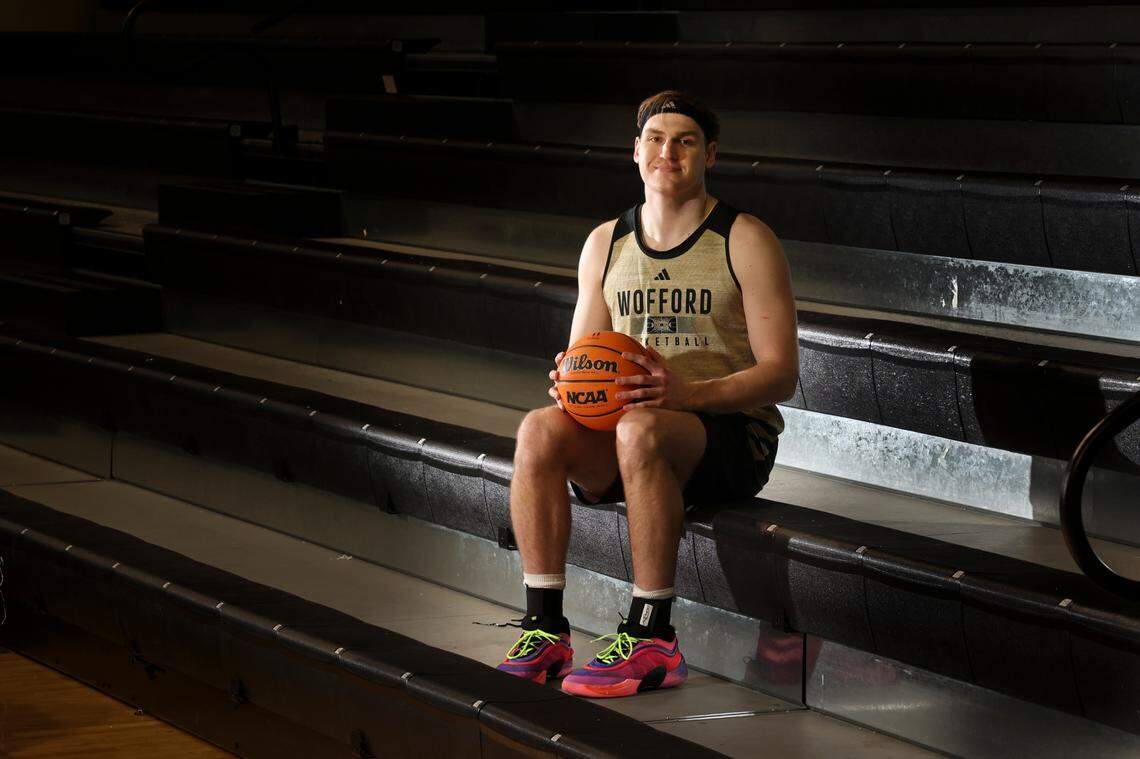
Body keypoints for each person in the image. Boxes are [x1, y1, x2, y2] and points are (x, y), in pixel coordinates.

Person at [497, 90, 799, 698]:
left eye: (685, 141)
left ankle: (652, 636)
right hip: (635, 430)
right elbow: (585, 354)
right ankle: (546, 627)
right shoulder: (605, 243)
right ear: (636, 152)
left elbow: (782, 374)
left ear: (708, 154)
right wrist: (570, 382)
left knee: (640, 428)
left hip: (732, 434)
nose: (669, 151)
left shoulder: (744, 238)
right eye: (656, 139)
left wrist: (688, 391)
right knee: (538, 429)